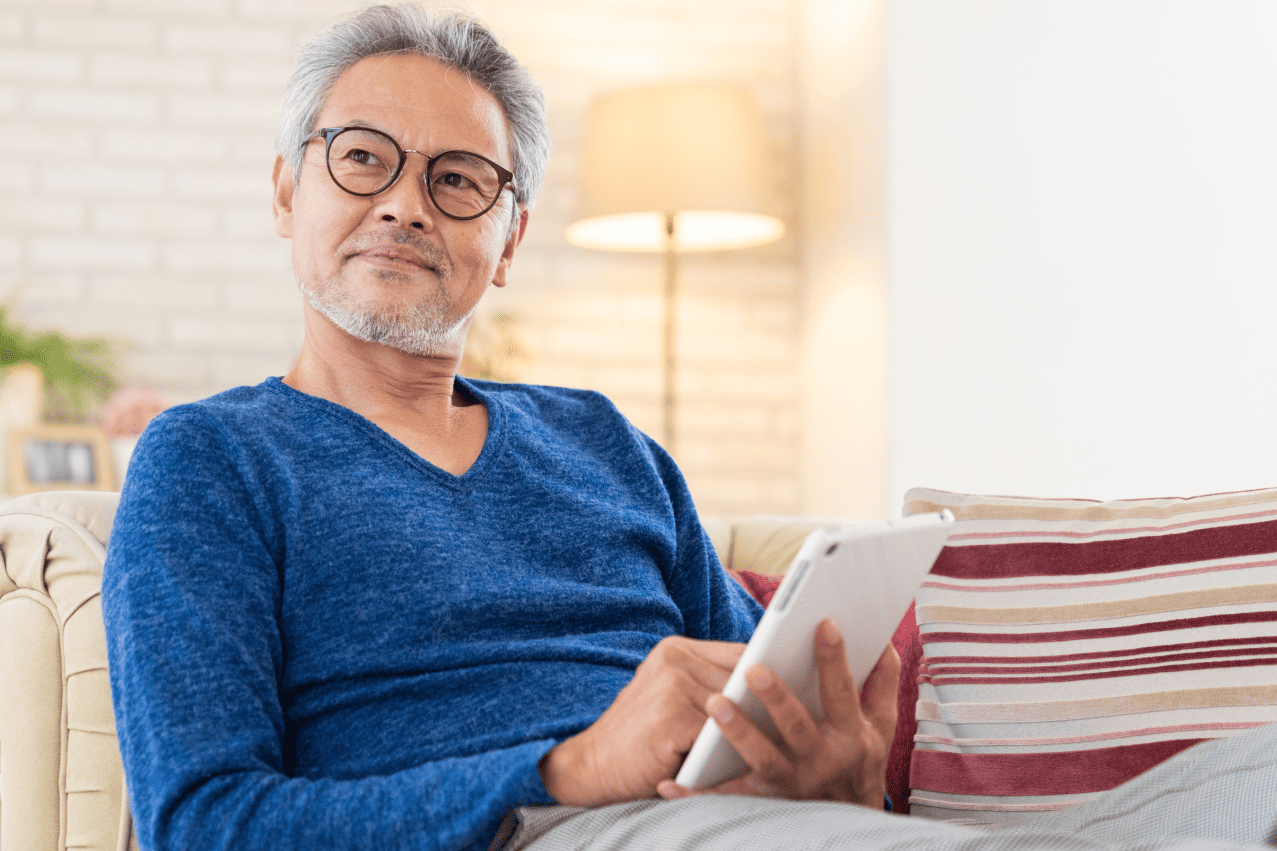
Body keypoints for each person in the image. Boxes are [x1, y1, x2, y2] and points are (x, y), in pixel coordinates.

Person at [102, 6, 1277, 851]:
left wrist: (843, 767)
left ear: (505, 241)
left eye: (460, 179)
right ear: (284, 191)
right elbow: (203, 821)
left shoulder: (602, 442)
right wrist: (565, 767)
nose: (406, 201)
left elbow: (774, 719)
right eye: (362, 159)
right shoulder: (209, 461)